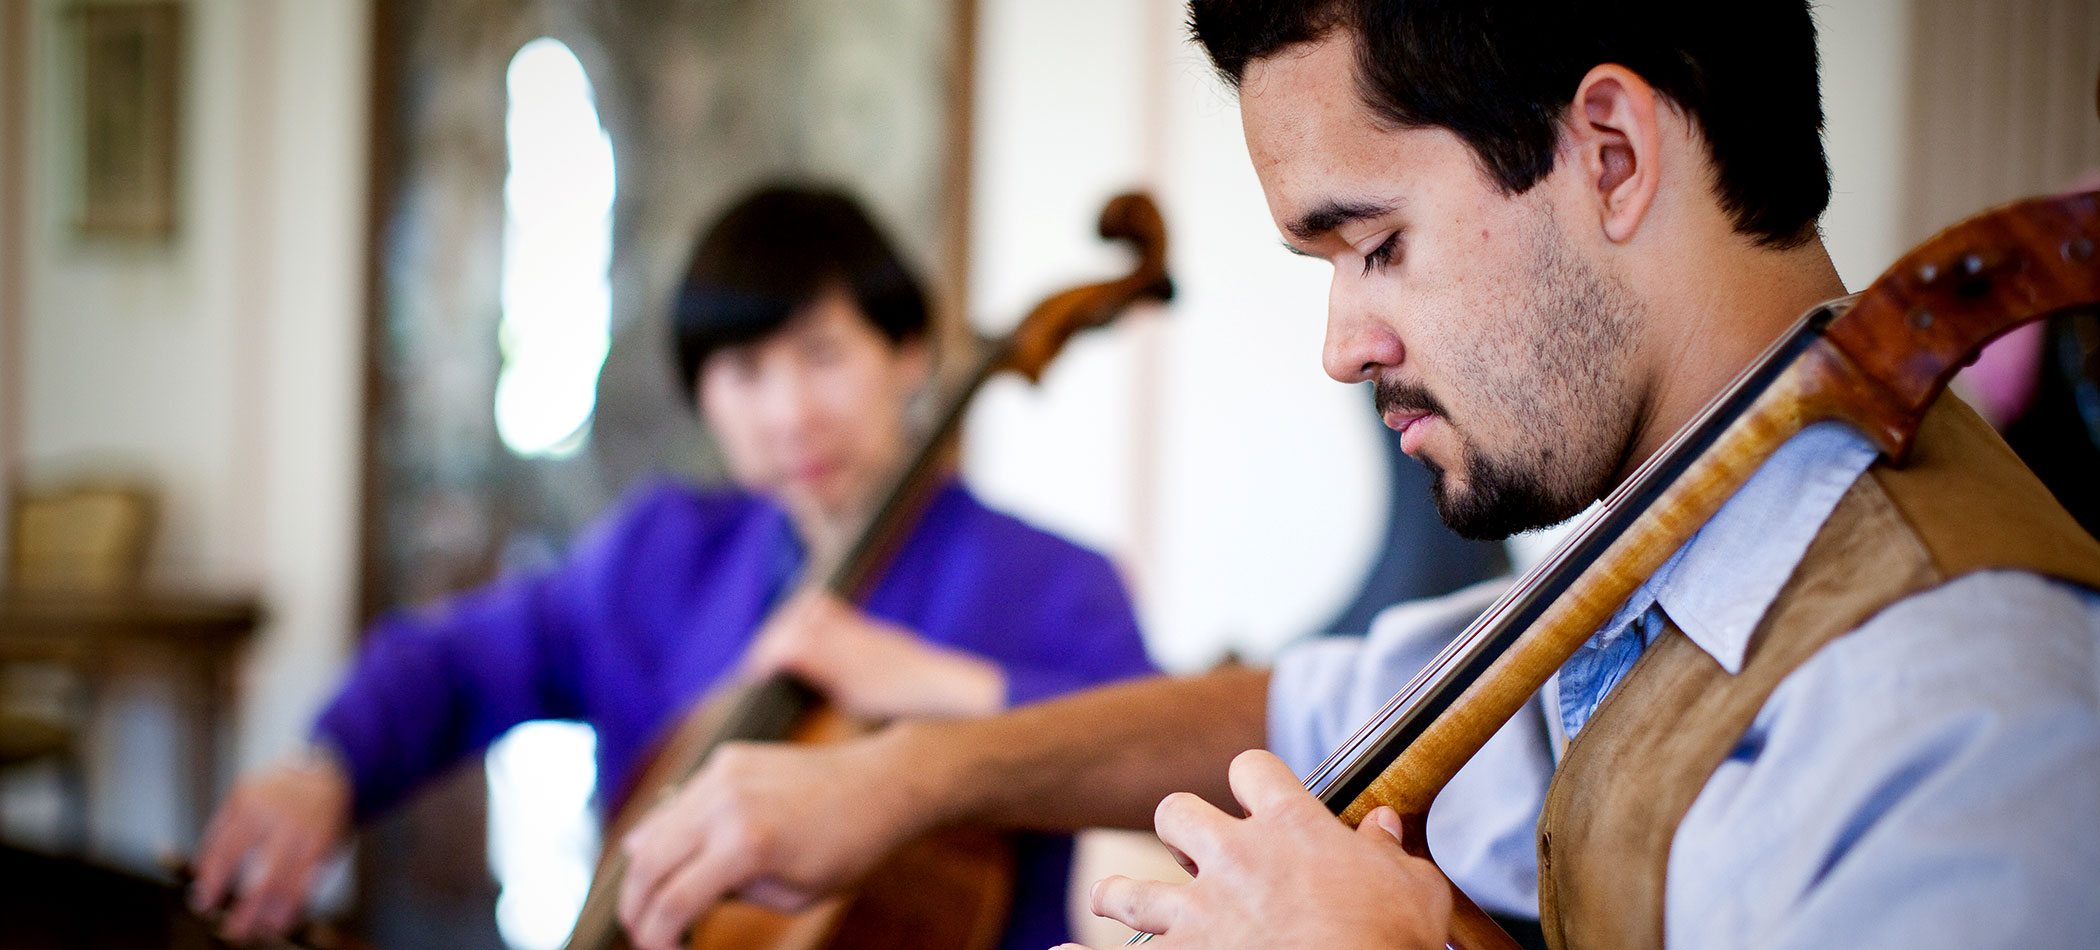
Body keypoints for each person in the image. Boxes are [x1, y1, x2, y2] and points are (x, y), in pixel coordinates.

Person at [604, 5, 2100, 950]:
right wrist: (902, 775)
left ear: (1610, 152)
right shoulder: (1660, 556)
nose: (1344, 342)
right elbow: (1303, 706)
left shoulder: (1974, 698)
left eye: (1376, 244)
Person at [186, 185, 1156, 950]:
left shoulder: (1055, 579)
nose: (788, 414)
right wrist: (324, 765)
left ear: (909, 356)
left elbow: (1158, 761)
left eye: (823, 353)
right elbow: (460, 658)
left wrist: (935, 681)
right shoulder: (663, 550)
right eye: (743, 372)